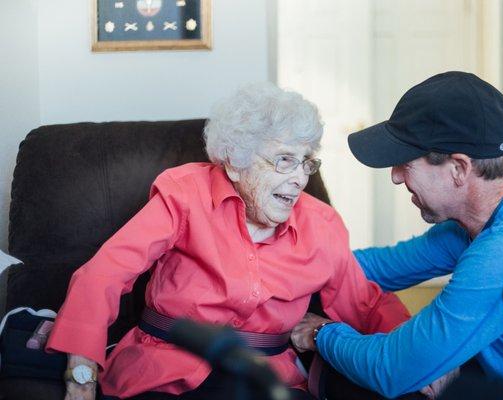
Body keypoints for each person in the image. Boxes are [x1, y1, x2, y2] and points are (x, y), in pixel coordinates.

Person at [46, 83, 411, 400]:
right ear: (236, 163)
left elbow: (365, 305)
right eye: (285, 160)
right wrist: (81, 376)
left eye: (307, 163)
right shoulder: (185, 194)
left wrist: (421, 359)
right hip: (167, 370)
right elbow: (105, 273)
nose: (300, 178)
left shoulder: (322, 225)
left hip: (265, 379)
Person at [291, 71, 503, 399]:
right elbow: (373, 267)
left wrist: (322, 333)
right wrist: (277, 264)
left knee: (367, 384)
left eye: (406, 164)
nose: (395, 177)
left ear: (459, 168)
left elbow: (391, 369)